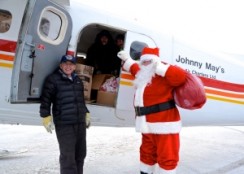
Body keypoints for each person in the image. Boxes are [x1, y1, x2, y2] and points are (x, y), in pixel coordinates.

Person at [117, 47, 186, 174]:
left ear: (155, 61)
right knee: (146, 153)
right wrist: (127, 60)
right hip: (146, 124)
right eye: (144, 61)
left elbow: (181, 77)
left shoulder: (163, 73)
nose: (146, 64)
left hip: (165, 125)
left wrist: (161, 68)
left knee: (167, 156)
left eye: (149, 61)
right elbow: (134, 68)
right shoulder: (142, 73)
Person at [39, 55, 91, 174]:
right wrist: (45, 116)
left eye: (71, 64)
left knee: (80, 154)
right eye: (65, 64)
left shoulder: (78, 80)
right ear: (61, 65)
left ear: (75, 66)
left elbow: (80, 100)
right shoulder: (53, 79)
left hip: (80, 123)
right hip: (65, 124)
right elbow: (45, 100)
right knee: (68, 157)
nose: (68, 66)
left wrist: (86, 112)